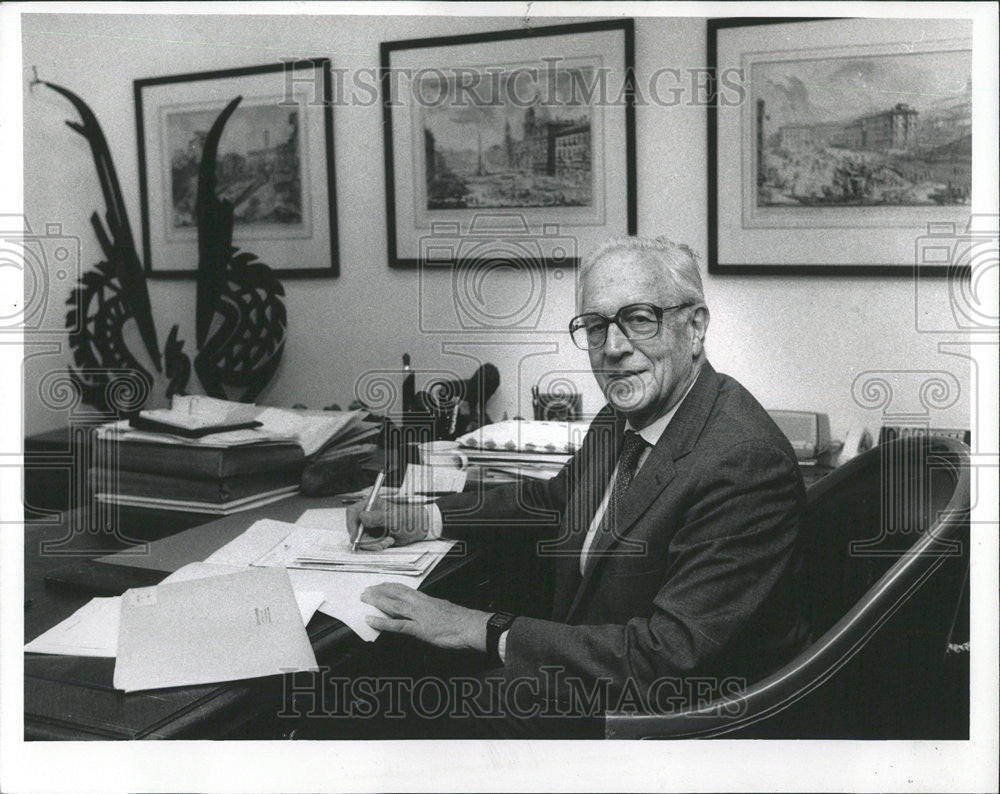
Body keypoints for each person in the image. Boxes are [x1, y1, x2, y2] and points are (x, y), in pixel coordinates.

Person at [349, 236, 809, 737]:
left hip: (656, 721)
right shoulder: (627, 415)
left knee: (385, 707)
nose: (613, 348)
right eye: (595, 326)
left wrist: (474, 627)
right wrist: (425, 516)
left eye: (639, 318)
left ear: (695, 326)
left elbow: (665, 655)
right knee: (387, 678)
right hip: (591, 672)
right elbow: (556, 500)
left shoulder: (743, 461)